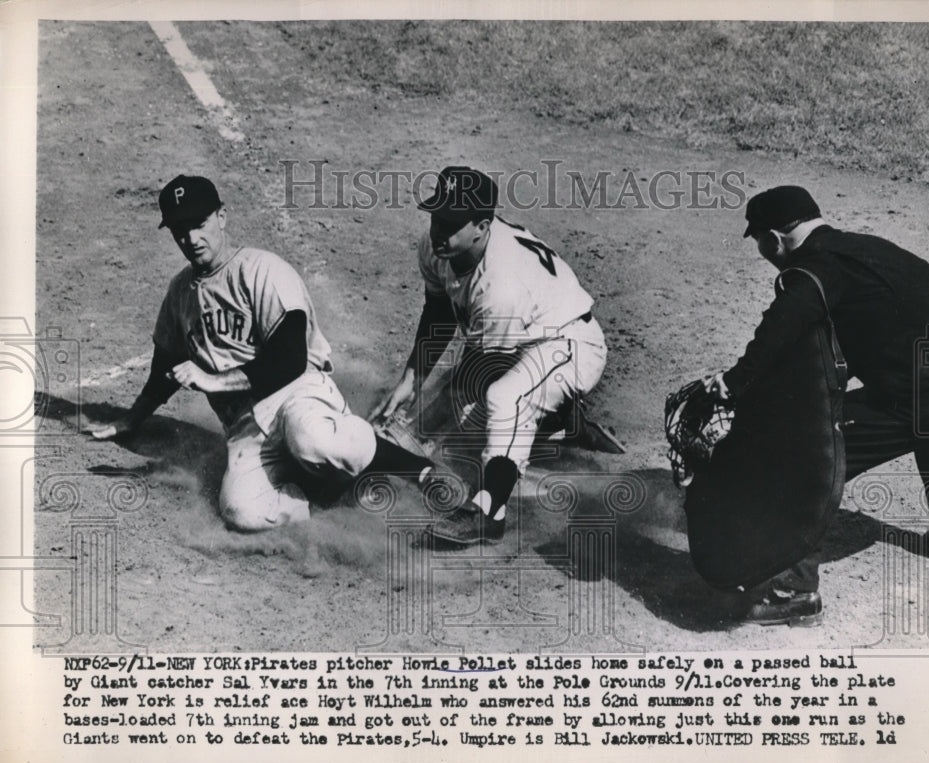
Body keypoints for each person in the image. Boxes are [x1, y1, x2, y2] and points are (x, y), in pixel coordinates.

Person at [91, 174, 442, 531]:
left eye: (199, 224)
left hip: (296, 396)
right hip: (246, 429)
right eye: (180, 230)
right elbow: (164, 364)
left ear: (222, 217)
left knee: (312, 438)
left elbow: (289, 360)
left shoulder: (262, 270)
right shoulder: (180, 292)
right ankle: (326, 496)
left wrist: (212, 381)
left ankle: (420, 470)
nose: (191, 239)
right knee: (242, 512)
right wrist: (131, 419)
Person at [706, 185, 929, 626]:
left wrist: (733, 384)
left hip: (924, 392)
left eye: (761, 243)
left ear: (774, 236)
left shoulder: (811, 267)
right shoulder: (868, 247)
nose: (764, 252)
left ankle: (794, 592)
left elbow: (781, 331)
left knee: (803, 453)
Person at [371, 166, 621, 545]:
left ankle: (489, 512)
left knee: (502, 402)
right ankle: (560, 420)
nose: (440, 230)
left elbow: (478, 374)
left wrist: (419, 430)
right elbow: (438, 311)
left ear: (482, 226)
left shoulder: (500, 286)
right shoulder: (437, 247)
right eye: (437, 216)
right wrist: (411, 381)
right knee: (478, 416)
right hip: (524, 335)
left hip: (569, 345)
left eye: (452, 222)